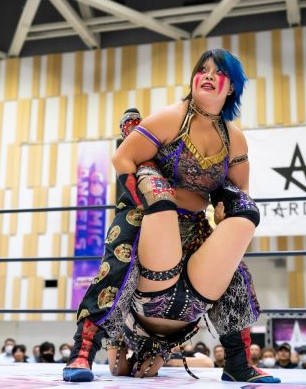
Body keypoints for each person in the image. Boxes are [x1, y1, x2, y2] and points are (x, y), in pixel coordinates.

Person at [62, 49, 278, 384]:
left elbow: (240, 190)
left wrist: (226, 208)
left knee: (240, 246)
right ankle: (82, 352)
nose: (208, 75)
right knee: (123, 253)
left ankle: (238, 363)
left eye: (218, 71)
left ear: (232, 86)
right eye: (203, 69)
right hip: (153, 216)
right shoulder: (170, 118)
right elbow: (123, 159)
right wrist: (144, 201)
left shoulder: (234, 138)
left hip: (195, 227)